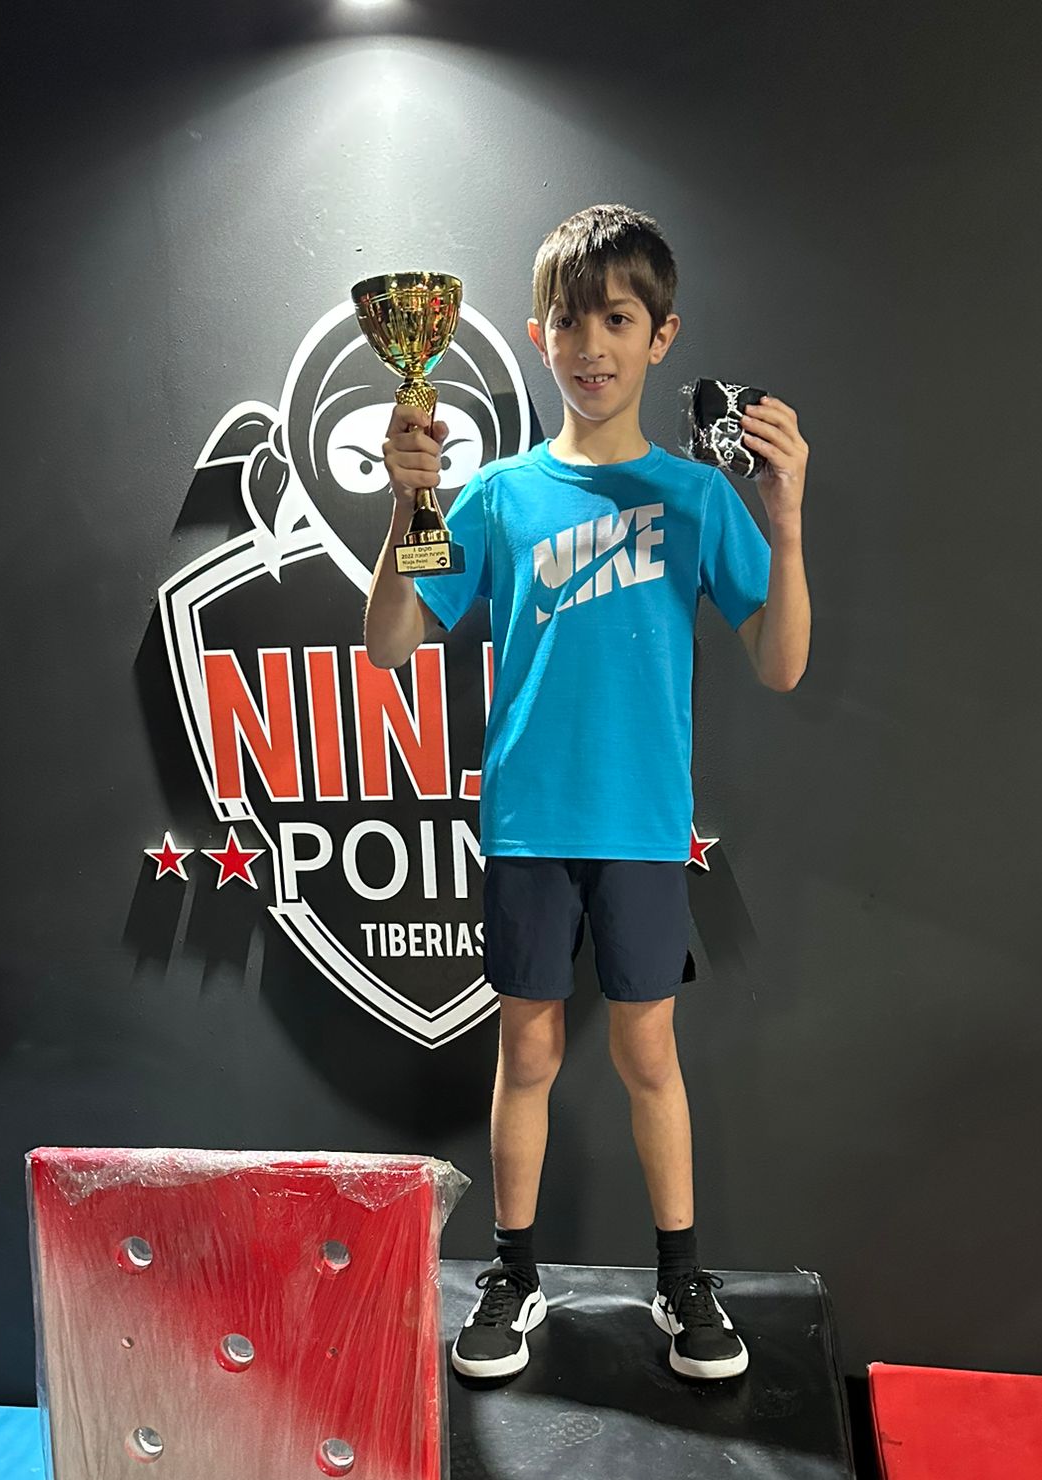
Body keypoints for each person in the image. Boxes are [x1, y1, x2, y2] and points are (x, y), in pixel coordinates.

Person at [364, 204, 811, 1381]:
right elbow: (393, 644)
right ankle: (513, 1273)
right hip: (527, 822)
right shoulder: (497, 496)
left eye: (617, 320)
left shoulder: (697, 496)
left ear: (662, 336)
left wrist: (786, 524)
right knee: (526, 1051)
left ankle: (682, 1277)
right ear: (539, 335)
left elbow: (781, 663)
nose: (592, 344)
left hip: (643, 827)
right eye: (570, 321)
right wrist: (404, 504)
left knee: (649, 1054)